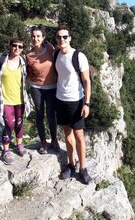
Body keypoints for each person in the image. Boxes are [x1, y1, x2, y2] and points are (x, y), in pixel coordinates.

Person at [54, 25, 92, 184]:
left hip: (76, 101)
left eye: (64, 37)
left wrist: (87, 103)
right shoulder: (56, 54)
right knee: (67, 133)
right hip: (60, 99)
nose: (61, 40)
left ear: (70, 38)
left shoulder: (78, 56)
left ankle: (83, 168)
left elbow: (87, 81)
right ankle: (71, 164)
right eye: (58, 37)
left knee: (79, 136)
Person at [0, 37, 31, 165]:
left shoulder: (23, 62)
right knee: (9, 124)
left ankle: (19, 144)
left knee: (19, 123)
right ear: (10, 46)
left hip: (20, 99)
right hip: (6, 100)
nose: (17, 48)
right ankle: (5, 150)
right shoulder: (1, 60)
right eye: (15, 45)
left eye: (20, 46)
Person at [26, 25, 59, 154]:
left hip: (52, 87)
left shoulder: (50, 48)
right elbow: (28, 72)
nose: (35, 38)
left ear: (43, 37)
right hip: (36, 88)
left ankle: (54, 140)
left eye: (38, 36)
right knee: (40, 115)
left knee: (51, 115)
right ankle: (43, 142)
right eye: (33, 36)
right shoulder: (29, 55)